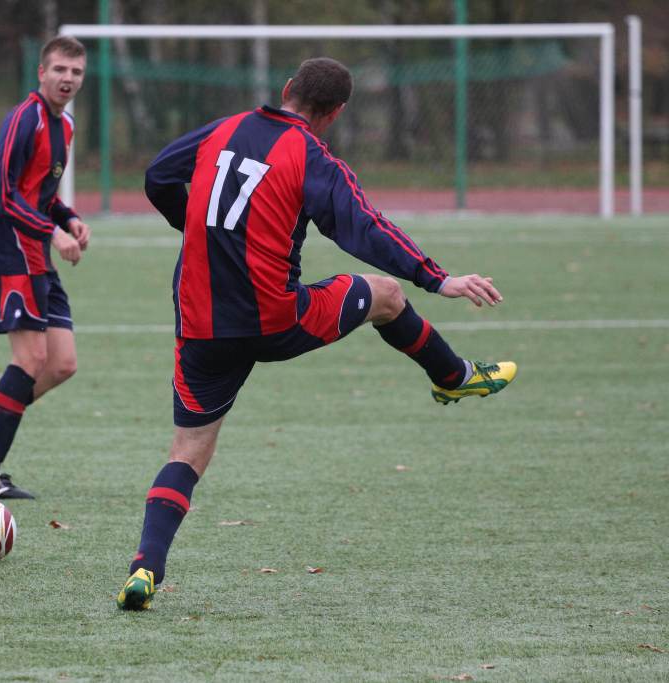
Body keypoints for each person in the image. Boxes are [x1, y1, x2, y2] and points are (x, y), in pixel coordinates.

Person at [116, 57, 518, 610]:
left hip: (201, 327)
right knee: (388, 296)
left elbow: (160, 174)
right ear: (335, 114)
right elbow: (365, 227)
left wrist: (191, 223)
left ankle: (144, 568)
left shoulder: (225, 128)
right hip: (277, 320)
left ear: (286, 90)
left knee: (188, 449)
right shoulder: (313, 157)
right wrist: (436, 277)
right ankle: (454, 377)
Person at [0, 36, 90, 500]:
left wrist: (68, 218)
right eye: (60, 69)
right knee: (29, 360)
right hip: (11, 251)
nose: (68, 78)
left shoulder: (63, 124)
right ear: (41, 73)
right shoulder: (25, 118)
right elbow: (0, 196)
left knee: (61, 363)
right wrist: (54, 233)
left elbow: (39, 192)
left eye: (76, 72)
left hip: (37, 254)